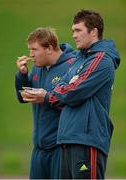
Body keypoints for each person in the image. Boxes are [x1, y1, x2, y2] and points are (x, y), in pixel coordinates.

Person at [32, 10, 120, 179]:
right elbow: (61, 87)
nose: (74, 35)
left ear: (93, 32)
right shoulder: (80, 59)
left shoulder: (101, 59)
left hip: (87, 139)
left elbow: (73, 91)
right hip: (68, 137)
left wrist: (52, 94)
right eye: (73, 31)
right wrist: (63, 89)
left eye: (78, 30)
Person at [15, 27, 76, 179]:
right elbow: (22, 98)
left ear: (49, 48)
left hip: (60, 149)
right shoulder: (37, 68)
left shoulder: (72, 66)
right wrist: (22, 76)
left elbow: (74, 102)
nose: (31, 54)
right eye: (30, 49)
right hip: (39, 149)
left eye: (34, 49)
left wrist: (47, 97)